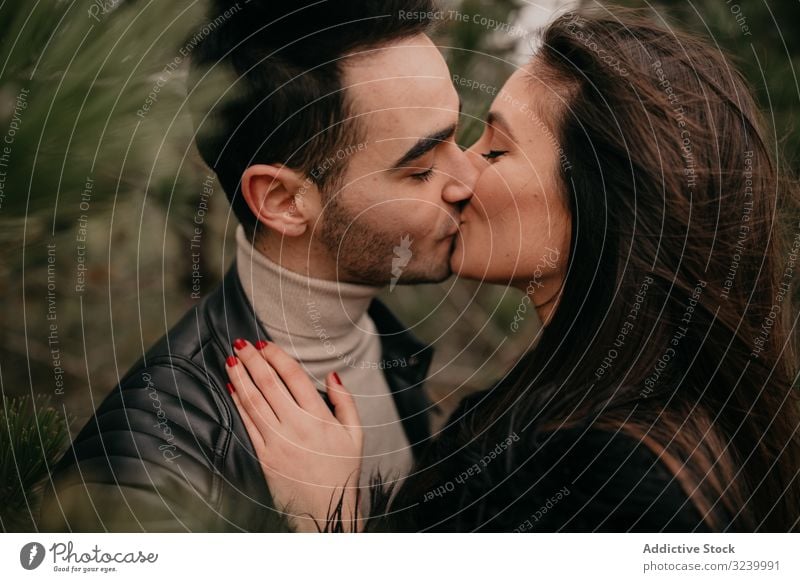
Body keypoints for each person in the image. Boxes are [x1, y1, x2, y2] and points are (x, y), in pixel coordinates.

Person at [225, 8, 800, 532]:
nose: (462, 176)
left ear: (606, 207)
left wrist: (329, 520)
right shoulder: (591, 400)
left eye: (496, 151)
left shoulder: (610, 477)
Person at [39, 0, 477, 531]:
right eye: (421, 168)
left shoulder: (388, 346)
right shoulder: (149, 471)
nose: (467, 178)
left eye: (457, 136)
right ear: (284, 201)